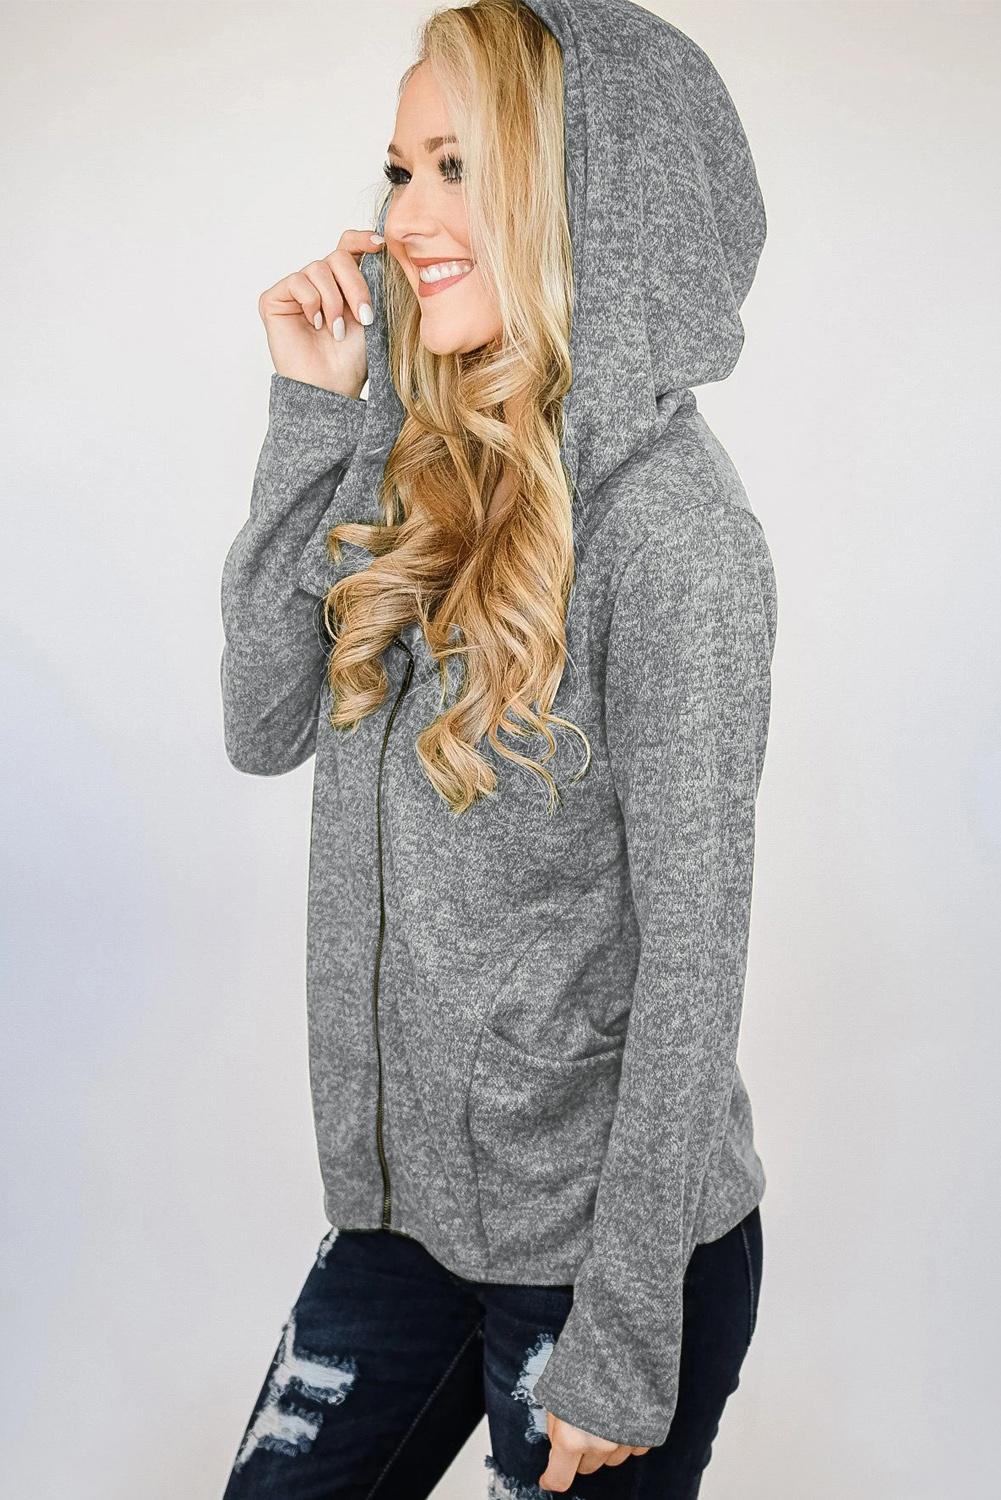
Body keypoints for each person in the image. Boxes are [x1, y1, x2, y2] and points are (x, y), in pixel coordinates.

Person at [218, 0, 775, 1495]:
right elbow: (260, 723)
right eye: (401, 170)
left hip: (604, 1251)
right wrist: (313, 415)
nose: (407, 219)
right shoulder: (421, 456)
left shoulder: (675, 538)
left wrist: (626, 1329)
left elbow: (695, 961)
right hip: (404, 1223)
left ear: (590, 196)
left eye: (459, 167)